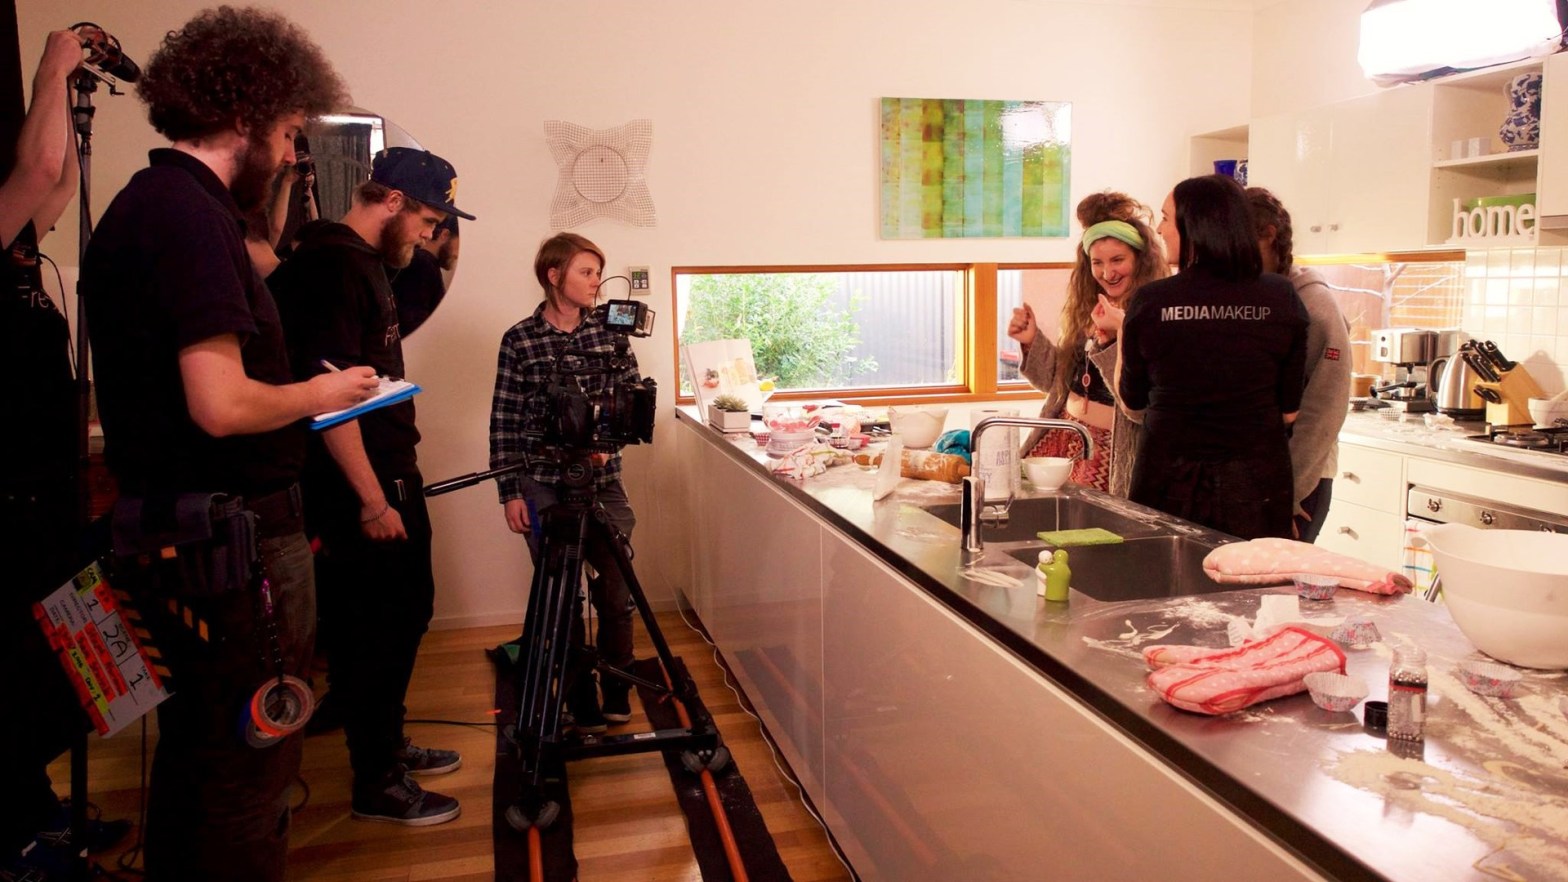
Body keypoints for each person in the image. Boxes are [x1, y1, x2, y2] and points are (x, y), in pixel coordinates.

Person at [78, 9, 378, 881]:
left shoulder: (155, 204)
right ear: (245, 115)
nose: (288, 156)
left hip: (186, 532)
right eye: (286, 135)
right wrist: (323, 394)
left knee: (202, 755)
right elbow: (220, 405)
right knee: (250, 766)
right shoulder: (187, 218)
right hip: (230, 543)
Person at [269, 146, 475, 827]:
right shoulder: (331, 267)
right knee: (381, 624)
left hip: (384, 472)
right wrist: (372, 500)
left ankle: (385, 742)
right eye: (426, 220)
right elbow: (331, 399)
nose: (429, 234)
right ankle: (378, 779)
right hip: (363, 486)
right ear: (391, 202)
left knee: (398, 616)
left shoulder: (357, 262)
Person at [489, 232, 640, 734]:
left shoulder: (612, 335)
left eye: (598, 272)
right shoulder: (520, 340)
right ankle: (580, 699)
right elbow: (504, 420)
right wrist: (510, 492)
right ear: (554, 275)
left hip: (603, 479)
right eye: (586, 272)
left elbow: (630, 403)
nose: (596, 282)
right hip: (543, 484)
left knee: (615, 591)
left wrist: (609, 443)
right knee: (561, 598)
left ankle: (617, 689)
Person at [1114, 174, 1308, 540]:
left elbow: (1133, 400)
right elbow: (1289, 410)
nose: (1160, 229)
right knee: (1250, 576)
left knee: (1166, 573)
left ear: (1194, 226)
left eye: (1166, 218)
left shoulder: (1151, 301)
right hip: (1254, 484)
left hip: (1168, 479)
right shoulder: (1281, 296)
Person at [1008, 192, 1167, 496]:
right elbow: (1056, 384)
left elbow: (1139, 406)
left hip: (1108, 453)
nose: (1107, 273)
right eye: (1097, 263)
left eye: (1118, 260)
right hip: (1062, 437)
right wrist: (1031, 341)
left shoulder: (1154, 314)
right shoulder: (1088, 307)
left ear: (1140, 259)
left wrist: (1119, 335)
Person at [1246, 187, 1351, 542]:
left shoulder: (1315, 305)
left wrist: (1287, 494)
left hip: (1299, 483)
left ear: (1268, 235)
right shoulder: (1255, 296)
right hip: (1262, 480)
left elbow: (1324, 409)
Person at [390, 213, 458, 337]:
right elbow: (413, 324)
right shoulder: (423, 264)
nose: (458, 254)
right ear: (444, 235)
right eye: (459, 243)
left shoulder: (425, 263)